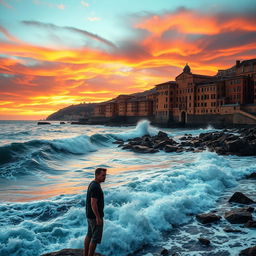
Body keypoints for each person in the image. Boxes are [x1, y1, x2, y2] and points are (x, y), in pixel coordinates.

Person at [84, 168, 107, 256]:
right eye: (103, 175)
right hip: (94, 217)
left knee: (89, 234)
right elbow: (93, 203)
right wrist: (98, 217)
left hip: (89, 215)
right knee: (94, 239)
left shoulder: (92, 183)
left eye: (105, 175)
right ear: (97, 175)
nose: (104, 177)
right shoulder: (95, 187)